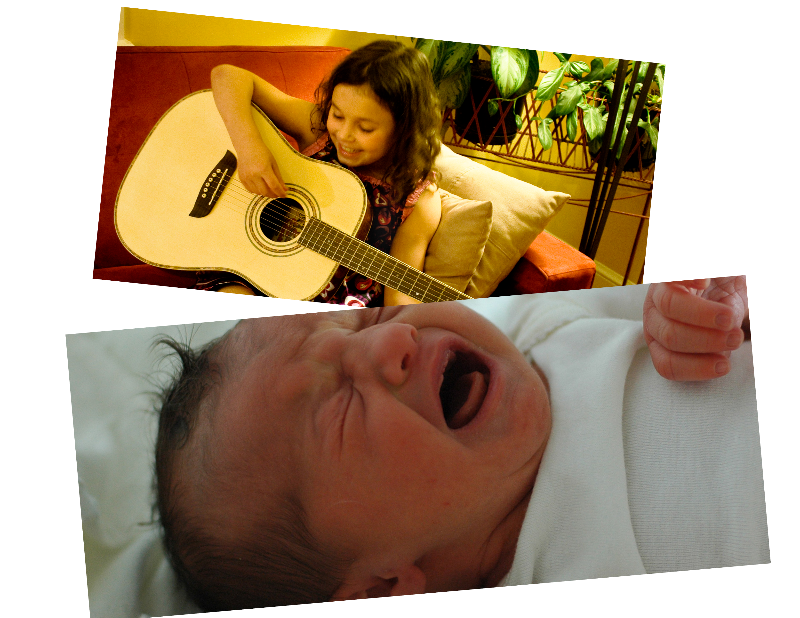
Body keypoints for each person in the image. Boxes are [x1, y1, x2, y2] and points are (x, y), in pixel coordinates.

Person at [153, 276, 767, 612]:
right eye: (337, 408)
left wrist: (714, 298)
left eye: (363, 319)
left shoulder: (538, 330)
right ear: (381, 589)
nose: (387, 343)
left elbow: (693, 287)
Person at [205, 40, 443, 306]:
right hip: (252, 271)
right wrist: (249, 148)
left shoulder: (417, 197)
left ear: (405, 129)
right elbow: (227, 75)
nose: (344, 135)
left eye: (365, 128)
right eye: (338, 115)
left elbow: (401, 293)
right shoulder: (319, 130)